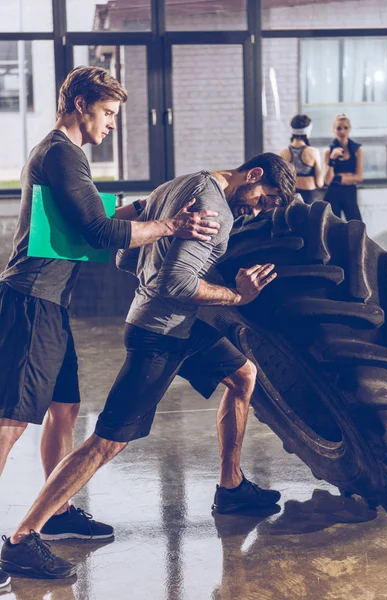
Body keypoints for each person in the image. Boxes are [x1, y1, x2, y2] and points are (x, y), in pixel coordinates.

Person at [0, 153, 297, 580]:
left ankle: (230, 488)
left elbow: (125, 256)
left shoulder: (181, 184)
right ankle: (23, 538)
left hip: (177, 327)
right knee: (106, 443)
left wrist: (152, 272)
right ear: (253, 175)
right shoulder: (215, 210)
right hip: (159, 337)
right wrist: (238, 296)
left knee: (242, 375)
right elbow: (178, 283)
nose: (257, 208)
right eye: (263, 198)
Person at [0, 65, 220, 584]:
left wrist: (147, 208)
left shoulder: (65, 156)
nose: (112, 124)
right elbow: (100, 232)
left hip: (50, 304)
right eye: (108, 113)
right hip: (31, 301)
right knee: (9, 426)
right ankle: (15, 546)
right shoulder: (60, 152)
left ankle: (53, 516)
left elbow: (88, 218)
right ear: (80, 104)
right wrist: (172, 224)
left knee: (65, 405)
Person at [323, 114, 363, 221]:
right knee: (333, 226)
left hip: (349, 191)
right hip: (333, 192)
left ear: (349, 129)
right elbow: (327, 180)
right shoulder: (328, 152)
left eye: (345, 128)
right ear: (334, 130)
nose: (342, 131)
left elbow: (359, 177)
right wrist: (332, 159)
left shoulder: (356, 150)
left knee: (356, 224)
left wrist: (339, 178)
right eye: (339, 128)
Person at [280, 114, 323, 204]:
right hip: (310, 197)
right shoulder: (313, 152)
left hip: (291, 197)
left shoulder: (283, 153)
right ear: (307, 131)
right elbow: (319, 183)